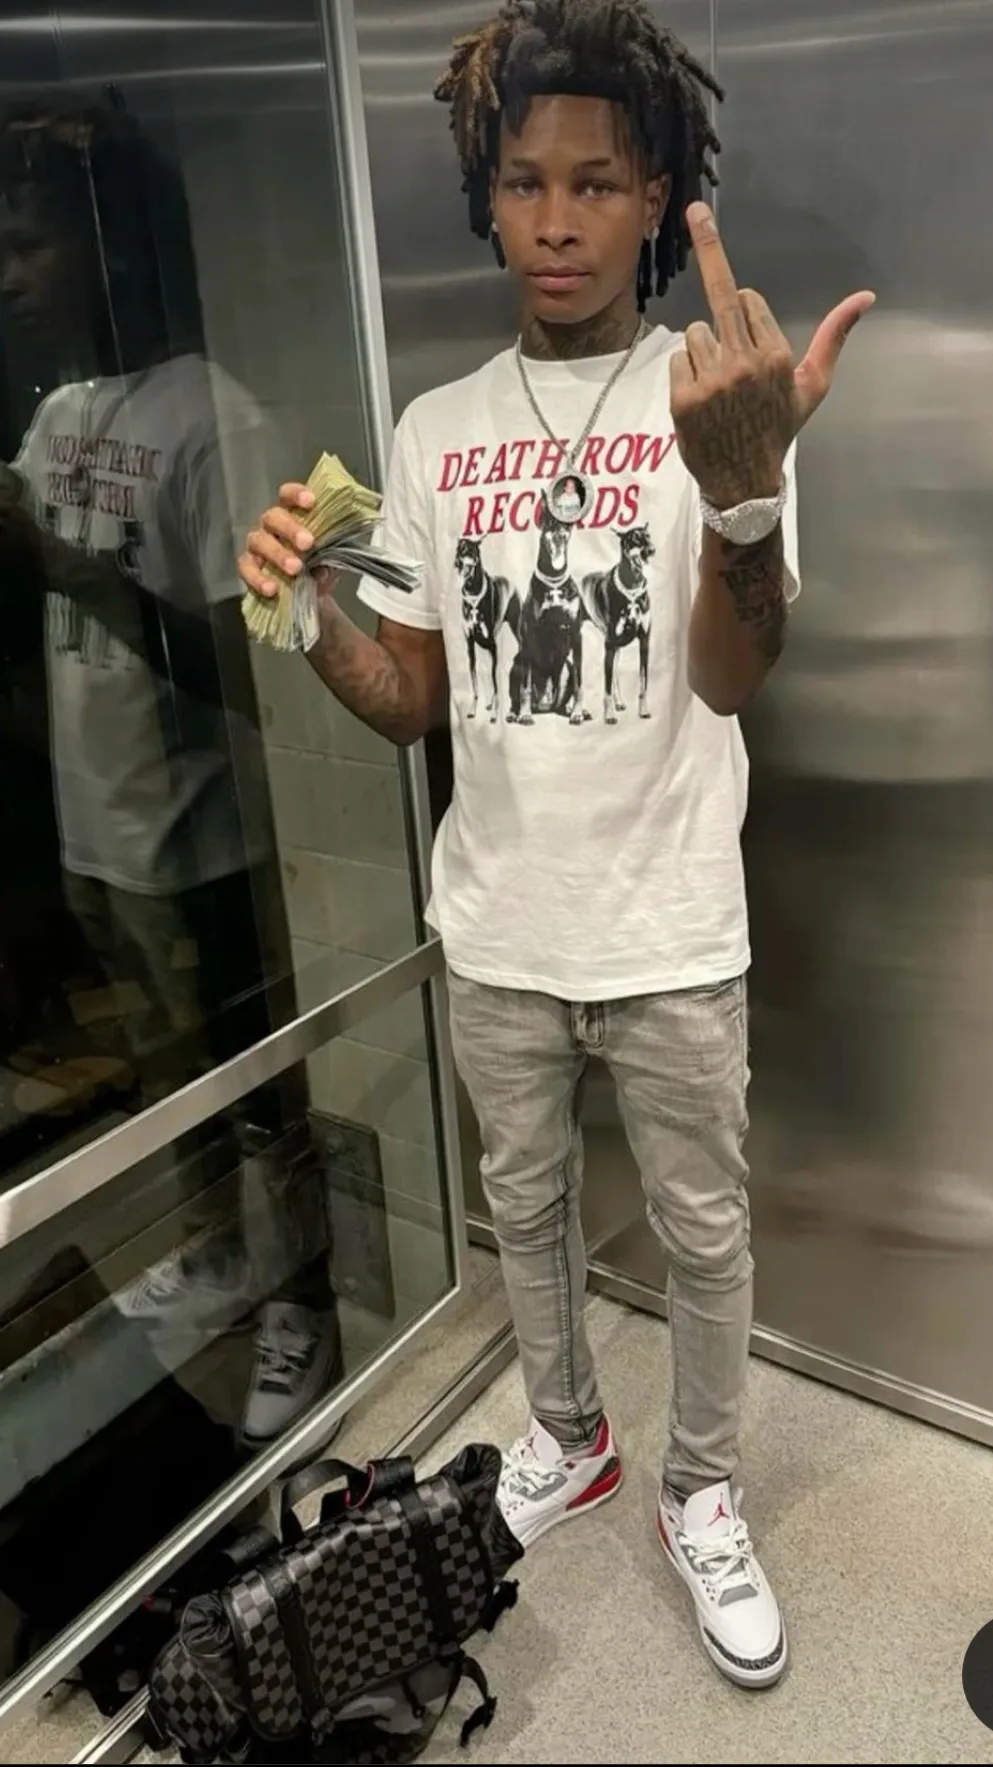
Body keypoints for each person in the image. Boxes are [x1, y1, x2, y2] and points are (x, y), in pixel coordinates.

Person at [239, 0, 872, 1687]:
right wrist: (306, 614)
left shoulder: (716, 395)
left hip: (669, 925)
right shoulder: (437, 431)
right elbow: (414, 701)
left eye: (597, 183)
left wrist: (743, 500)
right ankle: (572, 1437)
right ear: (489, 195)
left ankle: (702, 1488)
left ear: (655, 195)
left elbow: (732, 677)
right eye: (525, 182)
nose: (558, 219)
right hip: (500, 927)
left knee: (706, 1236)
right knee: (522, 1215)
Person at [0, 96, 341, 1446]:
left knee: (258, 1088)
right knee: (166, 1079)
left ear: (109, 247)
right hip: (93, 826)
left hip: (201, 835)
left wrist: (68, 565)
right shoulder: (60, 412)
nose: (11, 278)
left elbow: (244, 661)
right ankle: (220, 1254)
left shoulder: (213, 414)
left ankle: (306, 1297)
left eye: (30, 245)